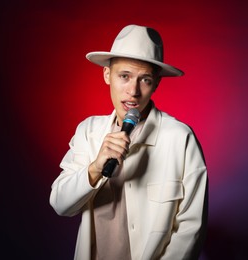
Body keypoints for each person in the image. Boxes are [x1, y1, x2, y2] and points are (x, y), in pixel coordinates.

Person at [49, 24, 208, 260]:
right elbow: (60, 204)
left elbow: (190, 229)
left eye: (144, 79)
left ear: (156, 84)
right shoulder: (88, 131)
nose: (133, 91)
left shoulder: (180, 138)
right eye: (124, 76)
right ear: (107, 75)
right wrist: (94, 168)